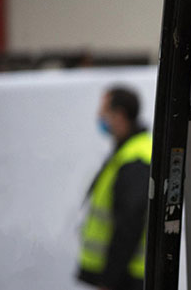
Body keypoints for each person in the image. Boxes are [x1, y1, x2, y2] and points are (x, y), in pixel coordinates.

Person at [78, 86, 152, 290]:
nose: (99, 116)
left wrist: (110, 279)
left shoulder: (135, 157)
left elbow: (129, 223)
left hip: (127, 277)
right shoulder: (127, 151)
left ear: (119, 116)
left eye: (104, 111)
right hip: (125, 275)